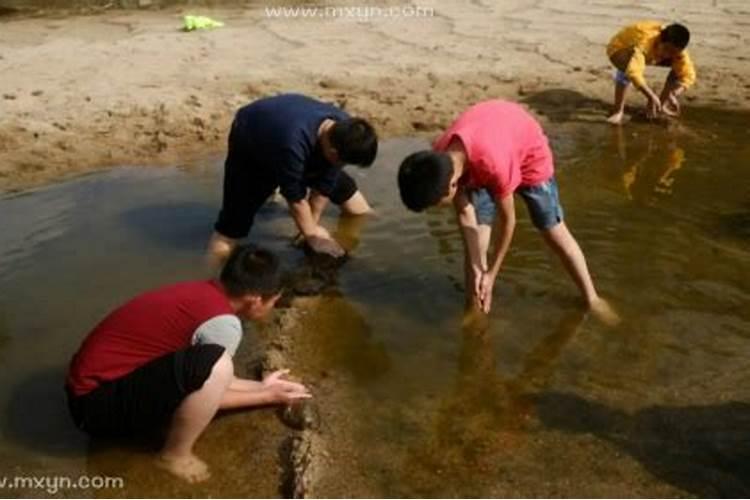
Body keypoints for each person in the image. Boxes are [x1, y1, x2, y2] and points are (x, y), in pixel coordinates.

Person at [65, 245, 311, 483]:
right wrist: (267, 397)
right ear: (255, 300)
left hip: (88, 392)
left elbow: (211, 380)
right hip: (95, 410)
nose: (273, 308)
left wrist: (261, 386)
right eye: (273, 301)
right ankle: (174, 456)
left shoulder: (203, 292)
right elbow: (212, 385)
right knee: (217, 364)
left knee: (214, 365)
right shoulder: (224, 323)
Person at [397, 100, 618, 323]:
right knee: (478, 243)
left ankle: (592, 298)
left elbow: (508, 221)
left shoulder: (492, 165)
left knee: (553, 231)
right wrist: (477, 268)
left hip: (527, 154)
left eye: (436, 204)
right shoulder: (439, 159)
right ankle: (474, 309)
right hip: (490, 146)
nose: (436, 209)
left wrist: (492, 274)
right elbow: (466, 216)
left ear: (452, 186)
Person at [207, 93, 378, 266]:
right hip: (252, 137)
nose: (343, 165)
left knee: (358, 208)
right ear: (334, 153)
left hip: (294, 131)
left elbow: (325, 185)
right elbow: (295, 199)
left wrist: (313, 224)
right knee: (231, 228)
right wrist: (312, 236)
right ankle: (212, 278)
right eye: (344, 162)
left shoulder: (345, 130)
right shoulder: (292, 145)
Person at [606, 21, 696, 124]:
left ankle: (660, 105)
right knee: (628, 65)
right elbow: (633, 72)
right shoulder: (645, 40)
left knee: (679, 68)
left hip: (652, 54)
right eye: (666, 49)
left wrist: (674, 93)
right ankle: (618, 111)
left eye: (673, 52)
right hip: (620, 49)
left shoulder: (677, 51)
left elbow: (689, 74)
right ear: (660, 40)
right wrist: (650, 96)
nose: (667, 55)